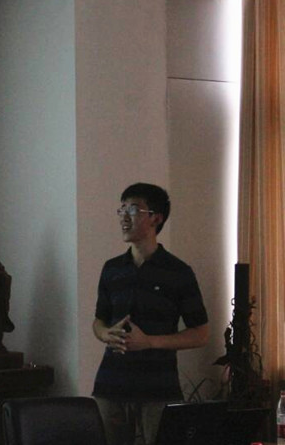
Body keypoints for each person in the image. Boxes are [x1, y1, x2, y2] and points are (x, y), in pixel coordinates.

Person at [92, 183, 209, 445]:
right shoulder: (112, 269)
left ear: (156, 218)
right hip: (111, 385)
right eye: (121, 209)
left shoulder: (178, 272)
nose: (124, 216)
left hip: (158, 387)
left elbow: (201, 334)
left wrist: (150, 342)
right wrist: (105, 334)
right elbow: (99, 320)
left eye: (133, 209)